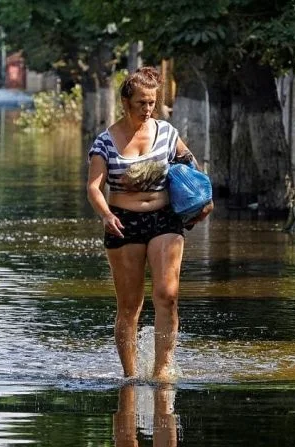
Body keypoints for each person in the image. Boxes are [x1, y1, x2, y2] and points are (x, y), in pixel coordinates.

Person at [86, 66, 213, 382]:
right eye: (141, 103)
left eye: (152, 103)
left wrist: (202, 199)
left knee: (167, 295)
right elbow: (93, 187)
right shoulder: (105, 142)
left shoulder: (167, 133)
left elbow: (190, 164)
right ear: (126, 103)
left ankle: (162, 370)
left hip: (164, 219)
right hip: (123, 223)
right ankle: (130, 377)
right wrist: (106, 215)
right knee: (130, 306)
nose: (147, 109)